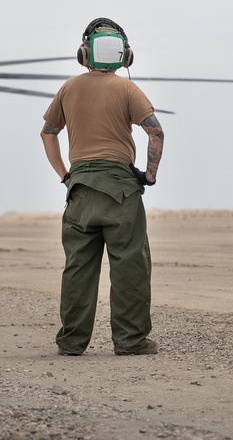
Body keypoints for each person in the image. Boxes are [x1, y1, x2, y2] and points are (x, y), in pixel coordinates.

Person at [40, 18, 164, 356]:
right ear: (126, 57)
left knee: (78, 268)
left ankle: (72, 342)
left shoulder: (68, 88)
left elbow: (48, 132)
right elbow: (155, 131)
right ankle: (130, 341)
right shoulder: (128, 89)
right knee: (130, 266)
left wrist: (66, 176)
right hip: (121, 191)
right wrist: (149, 176)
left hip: (79, 189)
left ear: (84, 54)